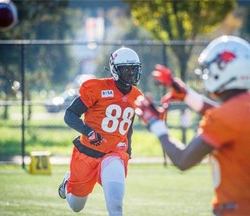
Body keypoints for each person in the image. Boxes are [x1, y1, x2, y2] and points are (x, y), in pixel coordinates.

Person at [135, 35, 250, 216]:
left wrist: (155, 124)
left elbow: (183, 160)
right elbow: (226, 117)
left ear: (223, 69)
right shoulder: (241, 108)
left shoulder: (227, 117)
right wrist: (187, 95)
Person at [58, 47, 143, 216]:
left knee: (116, 206)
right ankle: (68, 182)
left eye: (134, 68)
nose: (131, 73)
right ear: (115, 69)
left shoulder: (137, 95)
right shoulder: (97, 88)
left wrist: (128, 150)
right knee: (76, 205)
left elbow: (129, 126)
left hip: (114, 153)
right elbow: (70, 115)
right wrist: (88, 132)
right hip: (87, 153)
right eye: (126, 69)